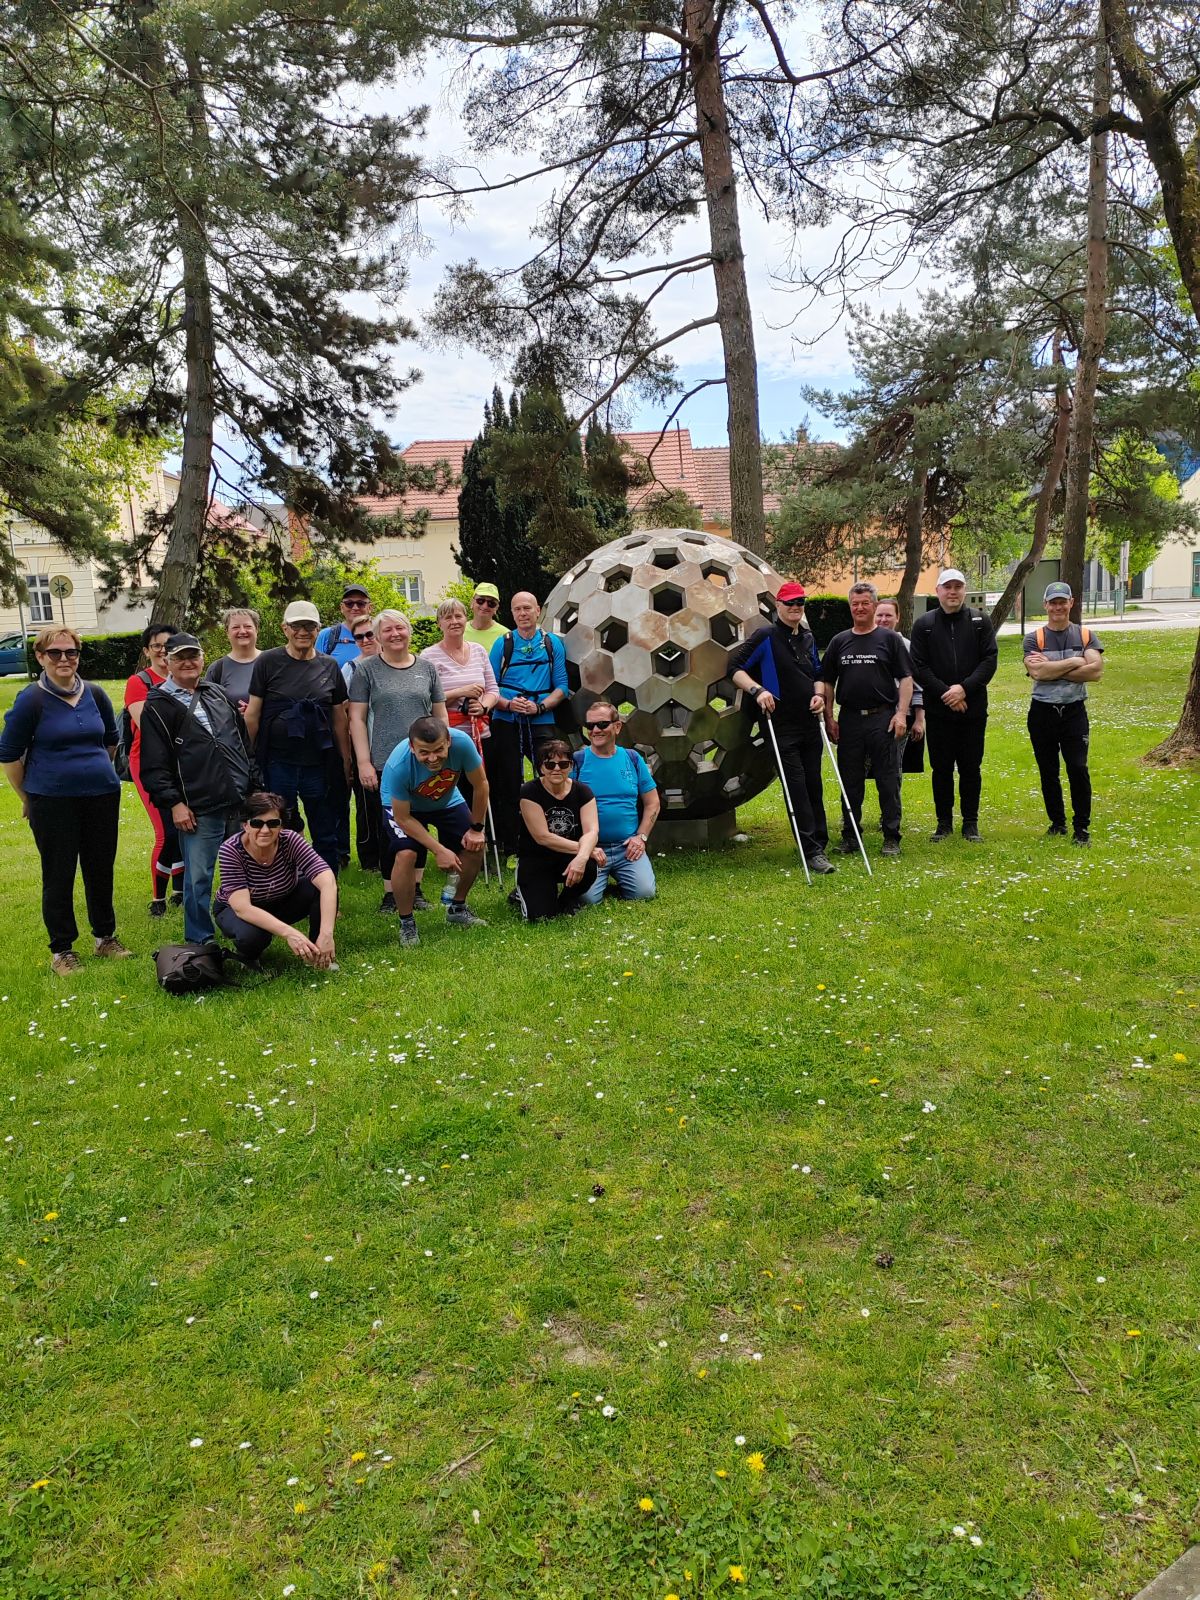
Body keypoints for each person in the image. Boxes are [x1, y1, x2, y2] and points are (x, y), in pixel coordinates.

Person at [0, 627, 133, 974]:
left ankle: (105, 937)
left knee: (100, 868)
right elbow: (9, 755)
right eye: (54, 652)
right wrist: (28, 796)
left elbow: (110, 741)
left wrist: (92, 771)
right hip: (52, 800)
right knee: (58, 874)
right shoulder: (32, 699)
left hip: (101, 795)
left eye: (71, 652)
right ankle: (62, 950)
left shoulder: (95, 693)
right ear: (40, 657)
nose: (64, 659)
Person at [139, 633, 258, 947]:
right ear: (167, 662)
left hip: (237, 799)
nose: (188, 662)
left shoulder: (216, 693)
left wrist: (254, 786)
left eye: (193, 656)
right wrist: (175, 804)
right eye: (179, 657)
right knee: (198, 877)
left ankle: (249, 930)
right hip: (197, 805)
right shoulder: (157, 705)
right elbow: (154, 765)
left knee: (246, 870)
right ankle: (200, 939)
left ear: (203, 659)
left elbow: (242, 743)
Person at [729, 580, 835, 874]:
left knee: (813, 784)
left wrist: (819, 695)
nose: (795, 607)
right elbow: (734, 669)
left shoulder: (808, 637)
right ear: (778, 606)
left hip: (809, 723)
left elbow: (818, 673)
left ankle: (820, 842)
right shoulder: (765, 636)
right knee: (796, 786)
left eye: (800, 602)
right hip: (779, 726)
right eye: (790, 603)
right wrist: (757, 691)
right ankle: (811, 850)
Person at [348, 609, 447, 911]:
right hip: (384, 762)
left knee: (419, 823)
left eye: (400, 628)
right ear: (378, 637)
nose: (395, 634)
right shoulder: (366, 671)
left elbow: (440, 714)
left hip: (424, 761)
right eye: (387, 630)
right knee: (389, 828)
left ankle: (415, 889)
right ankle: (391, 892)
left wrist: (444, 752)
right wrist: (363, 762)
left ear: (409, 631)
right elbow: (356, 718)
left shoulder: (427, 668)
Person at [243, 599, 351, 873]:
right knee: (280, 823)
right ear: (285, 629)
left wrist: (346, 761)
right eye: (296, 626)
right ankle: (285, 879)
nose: (303, 632)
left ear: (318, 630)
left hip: (319, 763)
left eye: (309, 626)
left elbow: (339, 718)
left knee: (324, 826)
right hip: (279, 762)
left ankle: (326, 884)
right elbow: (253, 714)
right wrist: (248, 758)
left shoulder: (329, 665)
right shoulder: (268, 661)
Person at [812, 582, 912, 859]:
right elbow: (827, 681)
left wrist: (901, 713)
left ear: (874, 605)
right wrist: (829, 717)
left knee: (887, 780)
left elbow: (906, 678)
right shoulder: (839, 641)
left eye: (865, 603)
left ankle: (891, 836)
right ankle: (851, 836)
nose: (859, 608)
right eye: (855, 604)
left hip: (883, 718)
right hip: (850, 720)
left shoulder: (889, 640)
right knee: (850, 781)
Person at [379, 717, 490, 947]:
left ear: (448, 741)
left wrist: (477, 829)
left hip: (445, 798)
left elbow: (481, 785)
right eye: (424, 752)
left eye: (439, 750)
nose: (433, 758)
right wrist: (439, 850)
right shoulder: (398, 766)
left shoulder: (463, 743)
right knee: (406, 854)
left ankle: (457, 908)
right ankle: (406, 922)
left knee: (475, 845)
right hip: (405, 808)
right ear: (412, 748)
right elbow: (403, 818)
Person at [908, 567, 998, 842]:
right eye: (947, 587)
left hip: (973, 709)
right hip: (939, 711)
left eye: (958, 587)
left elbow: (989, 660)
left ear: (964, 590)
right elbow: (919, 666)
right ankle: (943, 823)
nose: (953, 592)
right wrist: (947, 693)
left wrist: (964, 689)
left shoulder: (980, 621)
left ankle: (970, 823)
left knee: (971, 767)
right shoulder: (924, 625)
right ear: (938, 591)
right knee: (942, 768)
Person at [213, 791, 338, 969]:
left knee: (323, 888)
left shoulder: (290, 840)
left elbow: (327, 881)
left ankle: (316, 952)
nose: (265, 830)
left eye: (273, 823)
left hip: (281, 899)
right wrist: (289, 933)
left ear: (281, 826)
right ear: (245, 825)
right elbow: (242, 908)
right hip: (237, 909)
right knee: (252, 936)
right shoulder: (231, 850)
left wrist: (327, 933)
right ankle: (248, 956)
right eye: (257, 823)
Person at [1023, 581, 1105, 846]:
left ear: (1071, 603)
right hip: (1042, 712)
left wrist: (1053, 667)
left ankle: (1081, 829)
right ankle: (1057, 823)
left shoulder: (1085, 635)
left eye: (1062, 602)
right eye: (1053, 602)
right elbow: (1037, 672)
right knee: (1048, 770)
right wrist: (1076, 661)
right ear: (1045, 605)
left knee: (1078, 768)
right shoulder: (1034, 638)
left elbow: (1096, 671)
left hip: (1074, 712)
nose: (1058, 607)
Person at [488, 591, 568, 858]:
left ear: (537, 610)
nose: (523, 614)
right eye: (517, 609)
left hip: (541, 720)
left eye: (527, 608)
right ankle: (511, 846)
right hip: (506, 721)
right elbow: (490, 687)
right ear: (512, 613)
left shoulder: (552, 643)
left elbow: (562, 686)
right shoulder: (503, 644)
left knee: (551, 776)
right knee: (508, 783)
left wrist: (540, 707)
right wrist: (509, 705)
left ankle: (554, 837)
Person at [573, 701, 660, 903]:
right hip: (592, 848)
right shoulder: (577, 761)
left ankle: (617, 880)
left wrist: (641, 837)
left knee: (644, 893)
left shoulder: (632, 758)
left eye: (602, 724)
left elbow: (653, 802)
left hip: (627, 847)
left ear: (617, 726)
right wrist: (582, 848)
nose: (595, 730)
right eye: (590, 725)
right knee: (586, 900)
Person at [126, 621, 185, 916]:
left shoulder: (186, 677)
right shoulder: (139, 682)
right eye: (156, 646)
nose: (162, 651)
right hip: (148, 763)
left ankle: (180, 892)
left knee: (184, 828)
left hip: (183, 762)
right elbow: (147, 725)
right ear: (147, 651)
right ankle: (158, 899)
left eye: (168, 645)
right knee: (166, 832)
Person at [515, 739, 600, 920]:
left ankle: (567, 899)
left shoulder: (583, 791)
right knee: (541, 917)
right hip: (536, 858)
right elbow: (542, 837)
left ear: (571, 766)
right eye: (549, 764)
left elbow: (592, 831)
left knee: (589, 866)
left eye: (563, 764)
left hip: (567, 856)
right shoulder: (529, 792)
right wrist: (586, 850)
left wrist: (582, 857)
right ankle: (521, 892)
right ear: (541, 767)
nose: (556, 769)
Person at [873, 598, 926, 774]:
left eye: (888, 615)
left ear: (898, 617)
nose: (883, 619)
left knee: (893, 768)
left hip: (900, 717)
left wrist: (919, 720)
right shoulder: (866, 643)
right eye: (879, 615)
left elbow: (919, 687)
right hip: (872, 718)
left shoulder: (908, 647)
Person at [204, 607, 261, 711]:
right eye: (235, 627)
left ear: (257, 629)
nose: (242, 631)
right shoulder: (217, 669)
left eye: (248, 626)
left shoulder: (273, 661)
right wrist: (234, 714)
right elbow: (209, 709)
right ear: (227, 632)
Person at [316, 582, 372, 669]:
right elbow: (316, 671)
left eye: (360, 603)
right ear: (342, 607)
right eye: (349, 603)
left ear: (369, 608)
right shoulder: (326, 635)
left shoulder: (381, 634)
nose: (355, 608)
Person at [464, 582, 509, 652]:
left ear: (496, 608)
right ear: (472, 602)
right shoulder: (459, 630)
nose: (485, 606)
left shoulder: (506, 635)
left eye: (491, 603)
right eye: (480, 601)